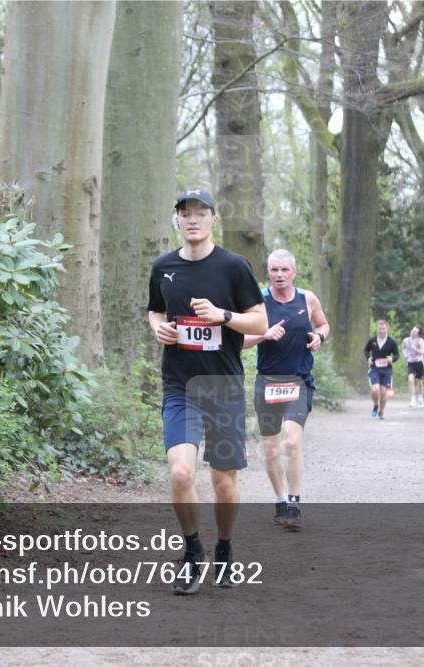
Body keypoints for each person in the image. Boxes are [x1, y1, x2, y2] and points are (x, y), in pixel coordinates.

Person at [147, 187, 268, 594]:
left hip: (223, 387)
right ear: (177, 220)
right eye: (186, 213)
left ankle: (226, 549)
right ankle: (192, 551)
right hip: (180, 385)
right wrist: (159, 328)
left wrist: (223, 315)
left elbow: (260, 322)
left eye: (201, 212)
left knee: (223, 482)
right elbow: (155, 309)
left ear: (214, 219)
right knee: (181, 472)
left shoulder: (233, 266)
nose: (193, 219)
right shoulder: (163, 267)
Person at [243, 249, 330, 530]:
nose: (279, 275)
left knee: (291, 442)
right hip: (268, 382)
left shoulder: (308, 299)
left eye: (284, 270)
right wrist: (263, 334)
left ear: (294, 272)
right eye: (274, 270)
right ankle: (280, 500)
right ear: (268, 272)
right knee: (270, 450)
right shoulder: (258, 303)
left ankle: (294, 504)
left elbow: (323, 324)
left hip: (298, 381)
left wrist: (319, 337)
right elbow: (238, 340)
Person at [364, 320, 399, 420]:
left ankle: (381, 412)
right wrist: (368, 358)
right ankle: (375, 405)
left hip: (386, 370)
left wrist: (392, 359)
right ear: (377, 329)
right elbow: (366, 350)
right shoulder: (372, 340)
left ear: (387, 329)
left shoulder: (391, 342)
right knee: (375, 389)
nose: (381, 331)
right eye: (380, 329)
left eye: (383, 329)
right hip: (374, 368)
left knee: (383, 392)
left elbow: (397, 355)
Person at [402, 325, 424, 407]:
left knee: (420, 382)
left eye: (415, 331)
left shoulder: (420, 341)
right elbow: (404, 348)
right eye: (412, 330)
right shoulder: (406, 340)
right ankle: (412, 399)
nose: (413, 332)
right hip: (410, 362)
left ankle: (420, 398)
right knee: (410, 380)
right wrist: (405, 354)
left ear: (418, 333)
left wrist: (416, 349)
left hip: (419, 362)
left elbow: (423, 352)